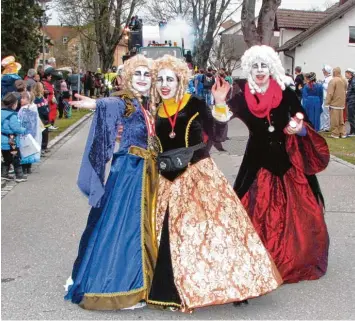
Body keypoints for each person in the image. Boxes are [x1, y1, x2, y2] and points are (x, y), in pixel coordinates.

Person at [147, 55, 282, 313]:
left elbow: (219, 134)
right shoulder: (156, 109)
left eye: (170, 79)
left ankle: (235, 283)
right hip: (168, 179)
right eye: (160, 79)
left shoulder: (196, 103)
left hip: (198, 174)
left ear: (180, 81)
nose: (165, 84)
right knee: (173, 233)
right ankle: (174, 289)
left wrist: (220, 104)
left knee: (215, 230)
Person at [212, 45, 330, 284]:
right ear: (249, 69)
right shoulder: (242, 96)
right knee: (252, 208)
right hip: (256, 161)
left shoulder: (285, 93)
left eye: (264, 65)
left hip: (287, 161)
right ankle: (257, 258)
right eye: (254, 66)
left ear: (272, 67)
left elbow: (302, 119)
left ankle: (296, 258)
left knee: (302, 212)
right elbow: (221, 122)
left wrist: (298, 128)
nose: (259, 70)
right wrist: (219, 102)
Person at [64, 54, 159, 311]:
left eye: (146, 74)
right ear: (128, 77)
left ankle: (144, 281)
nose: (141, 79)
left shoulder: (146, 104)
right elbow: (111, 104)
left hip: (146, 171)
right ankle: (120, 287)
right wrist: (96, 103)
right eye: (137, 74)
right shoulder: (126, 100)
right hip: (130, 171)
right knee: (125, 228)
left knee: (142, 226)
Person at [1, 92, 27, 182]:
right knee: (16, 158)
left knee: (6, 158)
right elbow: (16, 128)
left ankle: (4, 174)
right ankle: (19, 175)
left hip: (3, 140)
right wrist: (24, 129)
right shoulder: (12, 115)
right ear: (13, 105)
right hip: (12, 141)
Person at [18, 91, 42, 174]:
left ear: (29, 99)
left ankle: (26, 167)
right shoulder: (31, 108)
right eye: (21, 98)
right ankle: (27, 167)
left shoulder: (26, 109)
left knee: (26, 149)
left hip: (26, 133)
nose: (21, 100)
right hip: (29, 133)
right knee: (28, 149)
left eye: (23, 98)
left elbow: (22, 120)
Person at [325, 67, 348, 139]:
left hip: (334, 103)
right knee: (341, 120)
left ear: (334, 72)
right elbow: (345, 90)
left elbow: (330, 93)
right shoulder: (344, 80)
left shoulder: (333, 80)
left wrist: (327, 103)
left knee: (334, 120)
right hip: (342, 103)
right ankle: (343, 133)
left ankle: (335, 134)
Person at [32, 82, 50, 156]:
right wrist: (47, 112)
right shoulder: (38, 99)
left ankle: (44, 147)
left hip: (44, 119)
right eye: (42, 87)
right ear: (39, 89)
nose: (43, 89)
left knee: (45, 133)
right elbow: (42, 109)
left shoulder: (41, 97)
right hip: (42, 119)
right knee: (43, 133)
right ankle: (42, 148)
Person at [320, 65, 333, 132]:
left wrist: (322, 84)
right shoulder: (326, 78)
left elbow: (329, 87)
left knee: (326, 112)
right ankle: (323, 126)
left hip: (327, 97)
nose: (323, 72)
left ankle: (327, 127)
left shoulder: (330, 79)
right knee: (323, 112)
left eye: (324, 71)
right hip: (324, 97)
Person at [345, 67, 355, 136]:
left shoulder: (353, 81)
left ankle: (353, 131)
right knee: (351, 117)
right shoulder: (351, 81)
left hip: (352, 101)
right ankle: (352, 131)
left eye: (346, 73)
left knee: (351, 117)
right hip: (351, 101)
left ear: (350, 74)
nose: (345, 75)